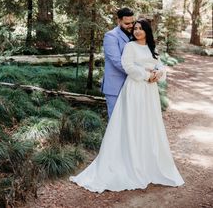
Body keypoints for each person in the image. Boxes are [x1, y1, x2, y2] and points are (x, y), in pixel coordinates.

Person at [69, 18, 184, 193]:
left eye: (140, 28)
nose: (137, 31)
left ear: (147, 31)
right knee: (133, 123)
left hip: (150, 93)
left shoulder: (152, 48)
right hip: (135, 89)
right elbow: (127, 65)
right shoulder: (130, 47)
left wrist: (158, 73)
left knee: (148, 124)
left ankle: (147, 163)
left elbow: (161, 65)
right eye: (135, 28)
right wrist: (146, 76)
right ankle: (130, 161)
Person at [101, 7, 134, 118]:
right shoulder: (111, 36)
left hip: (131, 86)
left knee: (128, 121)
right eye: (127, 23)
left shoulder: (134, 35)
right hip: (115, 86)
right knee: (115, 121)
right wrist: (140, 73)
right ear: (119, 21)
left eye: (132, 22)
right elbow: (117, 62)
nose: (130, 26)